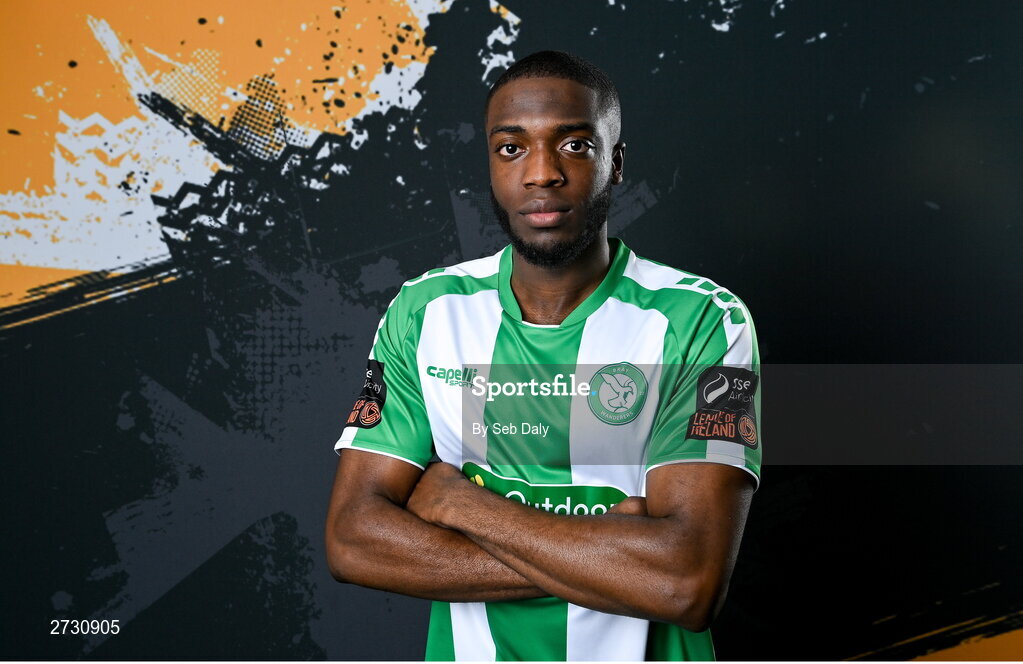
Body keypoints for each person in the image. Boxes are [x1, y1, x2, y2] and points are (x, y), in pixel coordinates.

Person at [325, 50, 761, 661]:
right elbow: (353, 541)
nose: (541, 173)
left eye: (575, 146)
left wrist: (461, 504)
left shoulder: (699, 321)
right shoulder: (427, 311)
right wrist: (612, 558)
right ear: (491, 165)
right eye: (511, 148)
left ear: (616, 163)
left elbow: (686, 583)